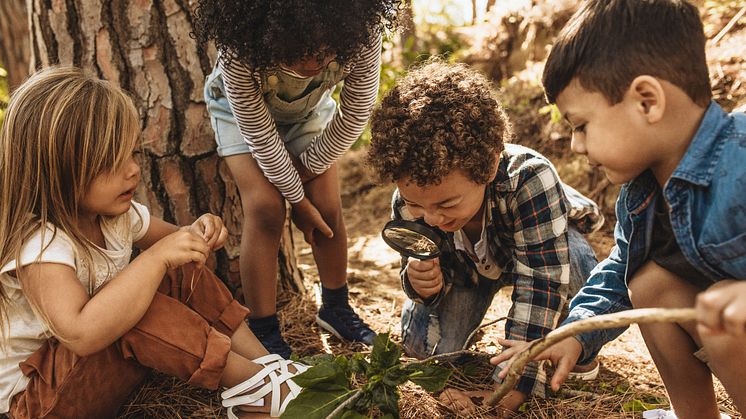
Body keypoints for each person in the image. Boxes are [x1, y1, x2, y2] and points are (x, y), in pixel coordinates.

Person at [0, 67, 308, 419]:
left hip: (86, 376)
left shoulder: (117, 216)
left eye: (131, 154)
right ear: (55, 169)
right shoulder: (41, 245)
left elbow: (181, 244)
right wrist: (154, 259)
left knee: (175, 272)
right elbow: (81, 334)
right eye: (110, 162)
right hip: (34, 404)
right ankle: (257, 390)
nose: (132, 170)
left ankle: (267, 367)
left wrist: (199, 232)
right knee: (136, 305)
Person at [492, 1, 746, 418]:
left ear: (646, 101)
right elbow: (617, 274)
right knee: (648, 284)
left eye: (581, 125)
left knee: (722, 301)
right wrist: (574, 334)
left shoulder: (739, 158)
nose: (576, 145)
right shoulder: (641, 194)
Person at [366, 60, 604, 417]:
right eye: (418, 205)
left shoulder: (530, 179)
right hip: (468, 272)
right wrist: (423, 286)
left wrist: (514, 382)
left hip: (537, 248)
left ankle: (577, 347)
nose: (431, 218)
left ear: (489, 166)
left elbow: (541, 281)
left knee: (577, 261)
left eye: (447, 203)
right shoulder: (410, 201)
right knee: (424, 348)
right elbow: (415, 267)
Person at [192, 0, 401, 358]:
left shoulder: (361, 31)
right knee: (266, 208)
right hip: (239, 116)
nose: (311, 65)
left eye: (323, 54)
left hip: (310, 113)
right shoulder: (239, 48)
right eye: (296, 54)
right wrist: (297, 201)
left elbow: (355, 114)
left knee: (328, 206)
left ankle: (336, 307)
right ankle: (264, 329)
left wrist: (306, 175)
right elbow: (259, 135)